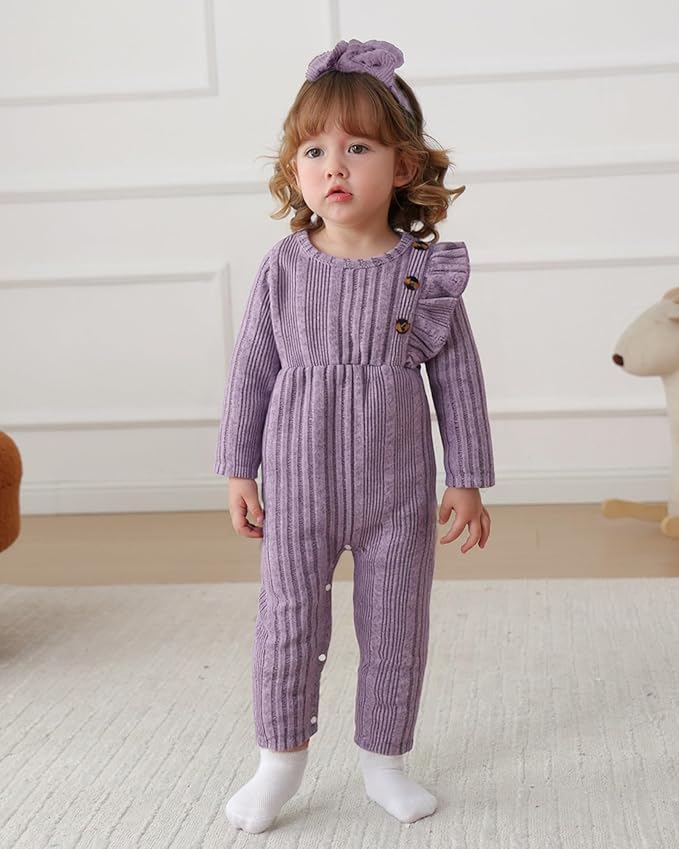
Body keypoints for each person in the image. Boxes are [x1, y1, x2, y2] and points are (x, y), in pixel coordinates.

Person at [214, 38, 495, 834]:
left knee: (396, 628)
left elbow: (458, 381)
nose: (333, 165)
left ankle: (384, 760)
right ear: (294, 167)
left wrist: (466, 478)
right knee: (287, 623)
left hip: (396, 494)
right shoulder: (283, 267)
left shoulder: (423, 274)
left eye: (357, 148)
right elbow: (251, 370)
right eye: (314, 150)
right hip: (297, 492)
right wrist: (238, 468)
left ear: (402, 166)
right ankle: (278, 763)